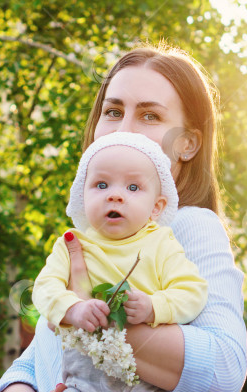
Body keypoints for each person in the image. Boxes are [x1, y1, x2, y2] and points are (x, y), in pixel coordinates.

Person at [0, 43, 247, 392]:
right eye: (113, 112)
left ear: (187, 144)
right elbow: (36, 361)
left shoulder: (189, 227)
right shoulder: (87, 239)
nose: (123, 130)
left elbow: (225, 369)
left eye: (150, 116)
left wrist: (93, 313)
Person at [32, 131, 208, 391]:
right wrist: (73, 309)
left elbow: (193, 292)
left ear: (156, 208)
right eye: (101, 185)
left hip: (143, 377)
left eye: (133, 187)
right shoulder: (72, 245)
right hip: (84, 375)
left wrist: (153, 306)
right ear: (83, 196)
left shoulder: (161, 243)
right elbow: (44, 287)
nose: (115, 195)